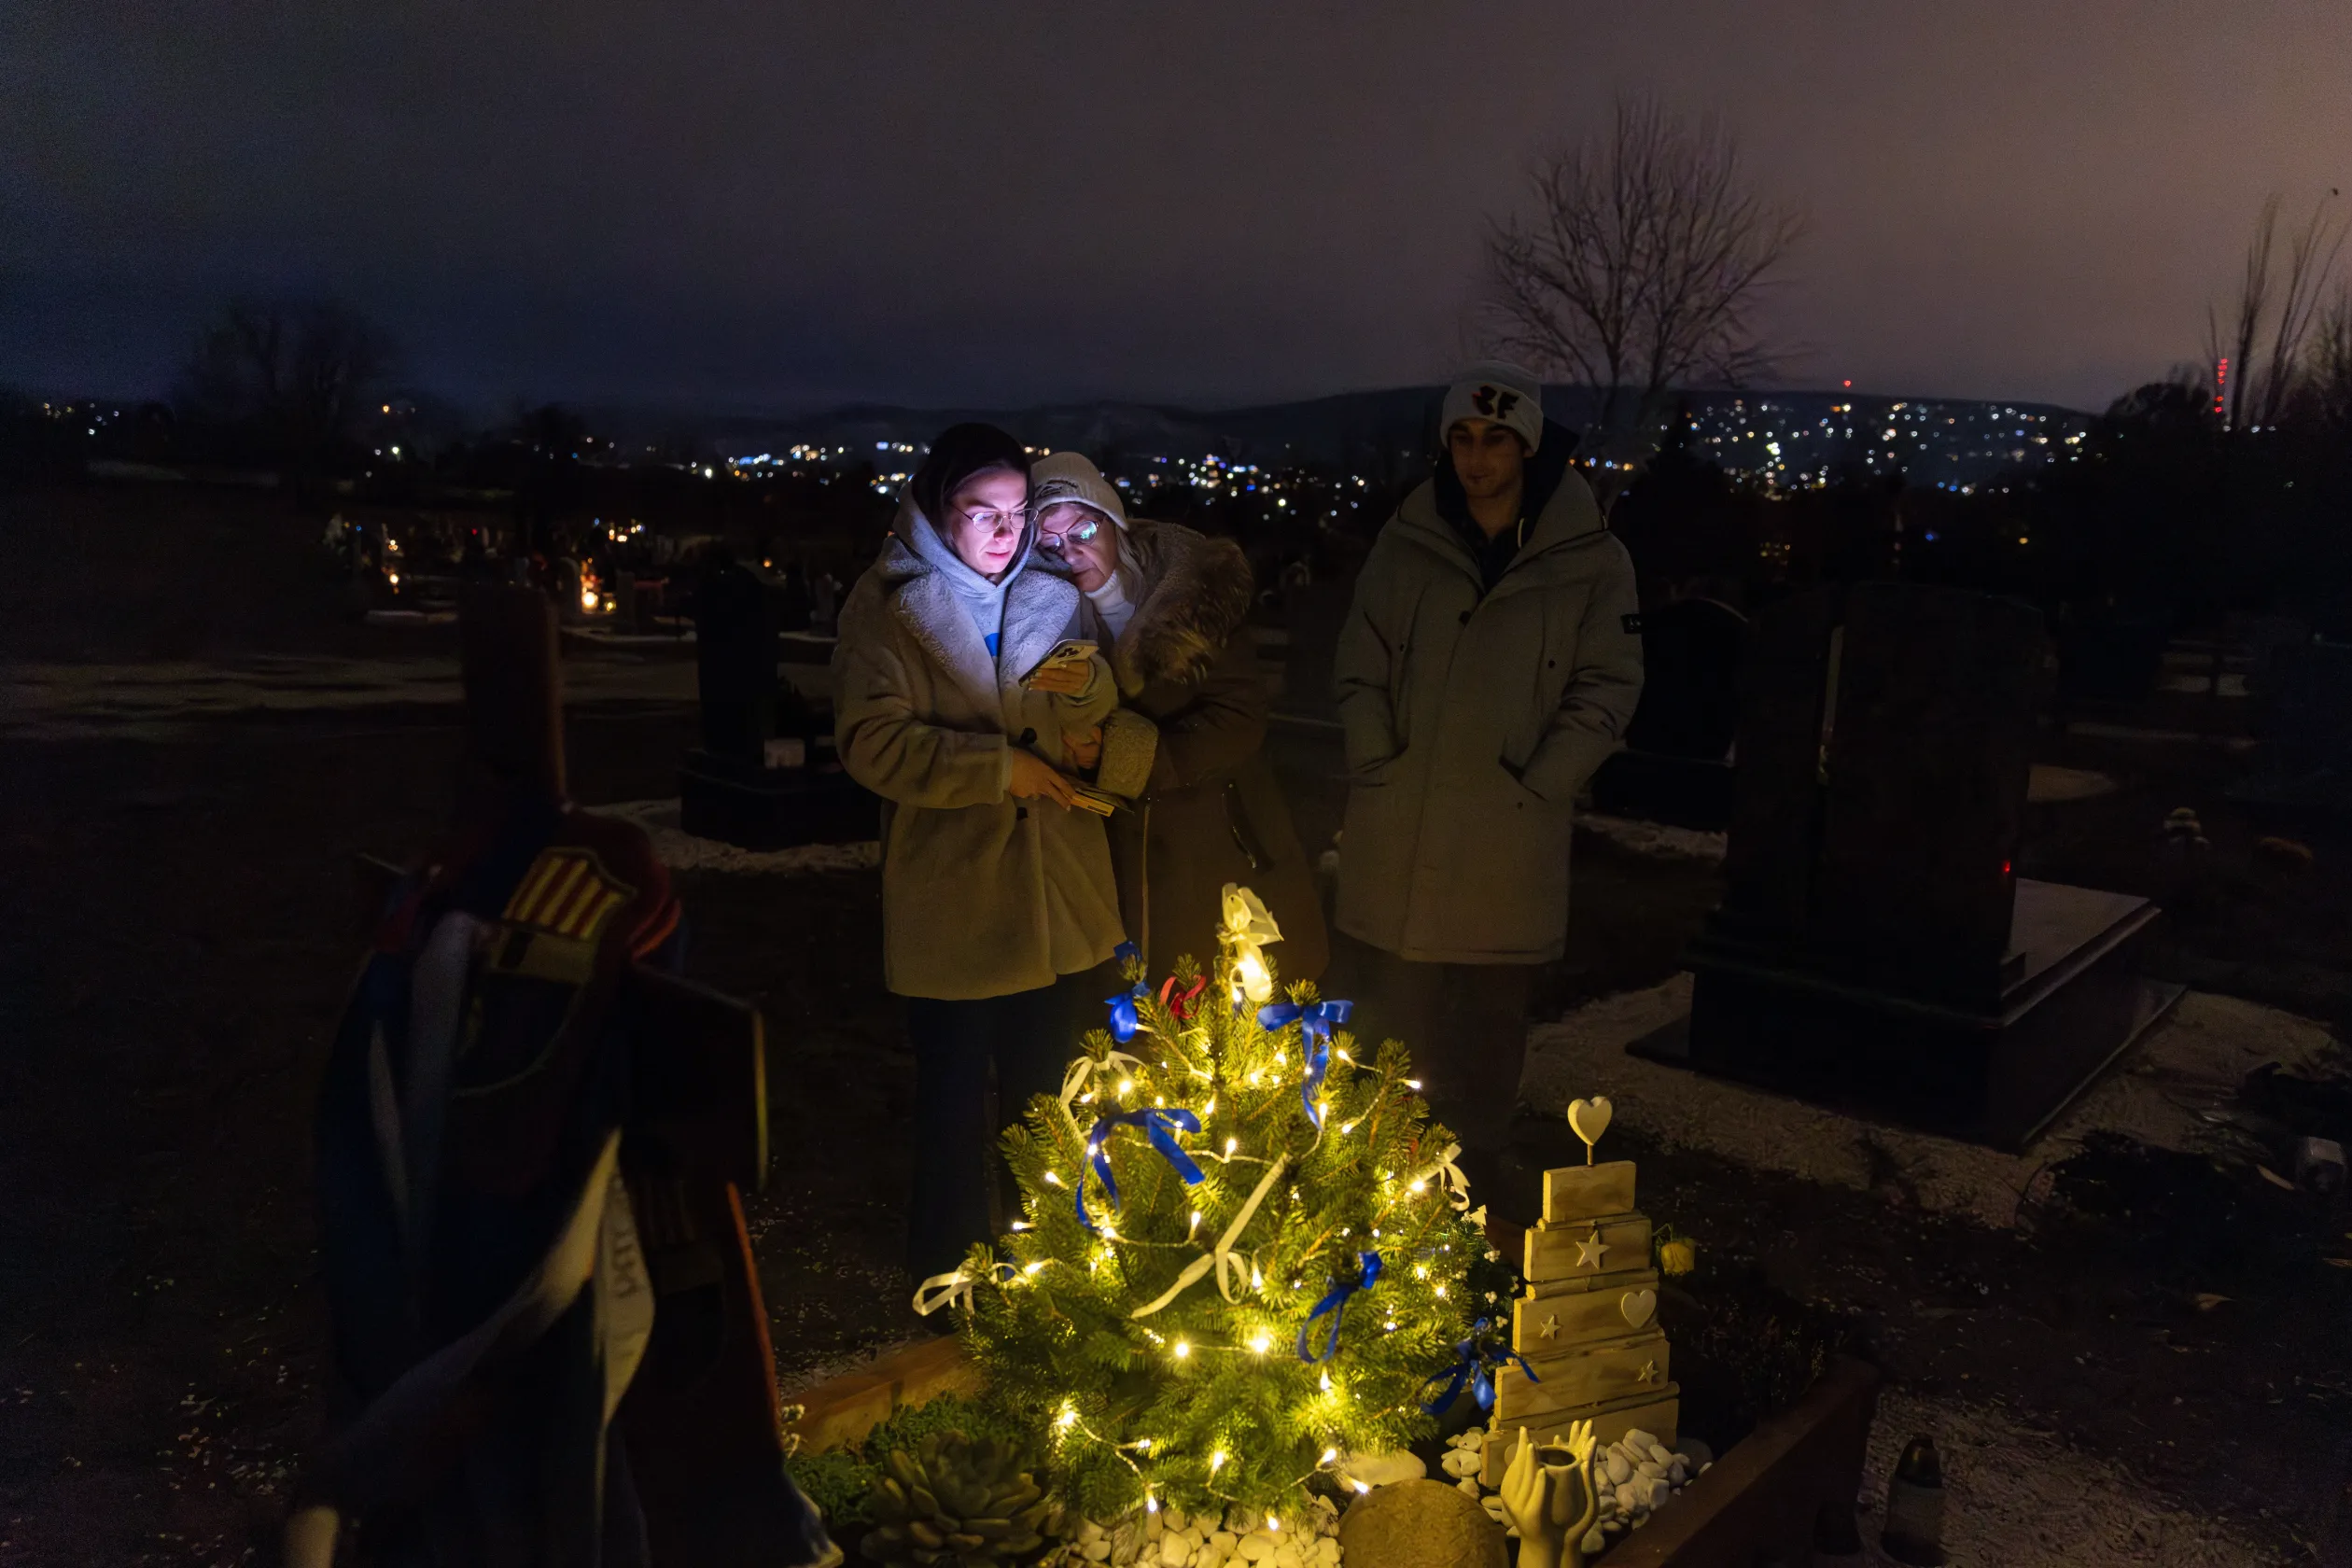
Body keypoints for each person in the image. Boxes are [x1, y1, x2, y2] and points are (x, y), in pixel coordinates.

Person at [1331, 363, 1644, 1200]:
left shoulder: (1589, 558)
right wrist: (1377, 761)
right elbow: (1359, 664)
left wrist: (1543, 780)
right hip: (1404, 836)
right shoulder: (1408, 545)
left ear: (1530, 446)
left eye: (1495, 438)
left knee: (1486, 1040)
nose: (1476, 458)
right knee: (1393, 1037)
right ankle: (1377, 1204)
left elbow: (1611, 680)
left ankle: (1470, 1200)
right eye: (1462, 439)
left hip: (1506, 841)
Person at [833, 424, 1123, 1285]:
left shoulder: (1050, 596)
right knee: (954, 1105)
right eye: (980, 511)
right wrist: (999, 768)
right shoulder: (891, 609)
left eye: (1017, 511)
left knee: (1049, 1101)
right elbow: (871, 742)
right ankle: (952, 1279)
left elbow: (1098, 690)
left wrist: (1084, 726)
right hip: (957, 897)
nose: (1004, 530)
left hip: (1059, 893)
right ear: (935, 510)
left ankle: (1050, 1274)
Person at [1030, 453, 1328, 984]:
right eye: (1048, 542)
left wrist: (1132, 755)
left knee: (1230, 1006)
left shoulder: (1192, 592)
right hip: (1108, 861)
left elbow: (1239, 716)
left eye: (1083, 528)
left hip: (1216, 844)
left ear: (1115, 521)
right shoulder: (1040, 621)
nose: (1069, 550)